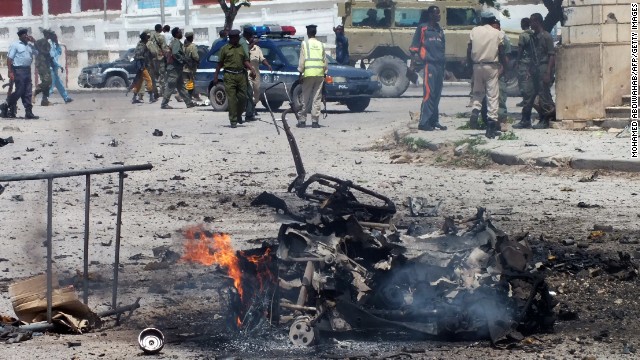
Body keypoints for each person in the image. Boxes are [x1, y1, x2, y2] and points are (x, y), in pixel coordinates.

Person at [467, 11, 506, 138]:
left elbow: (469, 48)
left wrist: (470, 65)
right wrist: (504, 65)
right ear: (492, 20)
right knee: (492, 96)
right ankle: (491, 126)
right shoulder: (498, 33)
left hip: (477, 65)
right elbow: (501, 51)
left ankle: (475, 109)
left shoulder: (474, 31)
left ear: (482, 20)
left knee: (477, 91)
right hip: (491, 66)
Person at [513, 13, 556, 129]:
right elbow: (532, 55)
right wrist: (529, 70)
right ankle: (525, 119)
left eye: (532, 22)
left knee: (543, 95)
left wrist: (548, 72)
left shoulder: (546, 36)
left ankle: (545, 119)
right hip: (534, 68)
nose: (530, 24)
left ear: (537, 22)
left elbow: (552, 55)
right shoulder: (533, 37)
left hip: (543, 67)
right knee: (529, 93)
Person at [409, 6, 446, 131]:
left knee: (437, 94)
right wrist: (412, 66)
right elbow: (414, 48)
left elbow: (442, 49)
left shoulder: (439, 30)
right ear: (430, 15)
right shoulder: (422, 28)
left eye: (439, 13)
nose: (439, 15)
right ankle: (424, 123)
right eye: (436, 13)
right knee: (429, 94)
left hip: (439, 66)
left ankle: (434, 121)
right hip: (428, 65)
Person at [213, 30, 256, 128]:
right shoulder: (224, 49)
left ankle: (238, 114)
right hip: (229, 76)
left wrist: (251, 68)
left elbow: (245, 61)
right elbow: (219, 64)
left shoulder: (241, 48)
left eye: (238, 37)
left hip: (241, 75)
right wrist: (215, 76)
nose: (237, 39)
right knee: (232, 99)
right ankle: (233, 120)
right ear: (231, 38)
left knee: (243, 98)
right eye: (235, 37)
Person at [0, 29, 39, 119]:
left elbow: (38, 53)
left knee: (28, 91)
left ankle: (28, 111)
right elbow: (9, 59)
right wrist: (10, 71)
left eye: (27, 34)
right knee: (20, 90)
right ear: (20, 36)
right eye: (24, 35)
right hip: (18, 70)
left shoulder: (29, 45)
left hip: (27, 70)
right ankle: (6, 105)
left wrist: (35, 42)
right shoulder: (15, 45)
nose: (26, 36)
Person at [297, 24, 328, 128]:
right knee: (316, 98)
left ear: (307, 33)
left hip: (308, 73)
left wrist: (300, 73)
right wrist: (325, 73)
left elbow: (302, 60)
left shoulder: (304, 44)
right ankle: (315, 121)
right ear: (315, 33)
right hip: (319, 74)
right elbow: (325, 61)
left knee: (305, 97)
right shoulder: (321, 45)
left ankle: (302, 121)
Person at [161, 27, 195, 109]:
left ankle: (189, 102)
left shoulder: (175, 42)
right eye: (180, 32)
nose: (181, 33)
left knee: (181, 86)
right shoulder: (176, 42)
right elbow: (175, 53)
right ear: (176, 34)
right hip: (174, 68)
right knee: (170, 85)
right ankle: (164, 104)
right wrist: (182, 60)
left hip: (176, 68)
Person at [130, 31, 154, 104]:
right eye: (147, 37)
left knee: (139, 82)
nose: (148, 38)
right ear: (144, 38)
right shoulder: (141, 46)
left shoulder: (142, 44)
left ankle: (134, 97)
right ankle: (151, 97)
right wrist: (141, 67)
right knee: (149, 80)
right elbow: (138, 56)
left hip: (142, 65)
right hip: (142, 66)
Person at [48, 31, 72, 104]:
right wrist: (59, 66)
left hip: (54, 67)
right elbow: (52, 57)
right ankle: (45, 99)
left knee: (59, 84)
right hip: (51, 67)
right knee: (51, 85)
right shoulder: (50, 45)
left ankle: (66, 98)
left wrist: (58, 44)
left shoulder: (55, 44)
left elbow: (59, 53)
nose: (56, 38)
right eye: (55, 37)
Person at [33, 29, 55, 106]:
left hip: (43, 64)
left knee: (47, 82)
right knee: (48, 81)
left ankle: (44, 101)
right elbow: (44, 52)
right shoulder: (42, 42)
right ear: (47, 35)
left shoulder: (42, 43)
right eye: (50, 35)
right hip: (42, 64)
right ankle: (36, 91)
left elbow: (46, 54)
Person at [249, 37, 272, 106]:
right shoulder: (245, 49)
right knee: (249, 90)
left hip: (256, 72)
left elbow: (262, 59)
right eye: (255, 42)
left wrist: (268, 65)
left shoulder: (257, 49)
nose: (256, 43)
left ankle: (253, 105)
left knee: (257, 90)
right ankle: (249, 108)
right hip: (247, 72)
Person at [515, 18, 533, 107]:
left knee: (523, 82)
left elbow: (520, 49)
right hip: (532, 61)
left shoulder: (523, 35)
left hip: (524, 62)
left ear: (523, 24)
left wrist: (517, 61)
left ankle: (526, 100)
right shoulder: (533, 33)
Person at [148, 24, 168, 101]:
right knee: (162, 75)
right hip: (160, 58)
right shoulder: (161, 37)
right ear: (160, 29)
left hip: (152, 59)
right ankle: (162, 92)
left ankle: (155, 91)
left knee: (153, 76)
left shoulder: (151, 37)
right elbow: (164, 47)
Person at [241, 27, 257, 122]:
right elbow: (245, 59)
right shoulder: (243, 43)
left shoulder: (242, 42)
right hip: (243, 71)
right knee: (248, 92)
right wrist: (252, 69)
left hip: (242, 70)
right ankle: (249, 114)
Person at [182, 32, 200, 102]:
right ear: (191, 38)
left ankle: (186, 96)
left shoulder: (183, 46)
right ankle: (194, 96)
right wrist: (198, 61)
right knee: (192, 82)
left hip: (184, 67)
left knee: (186, 82)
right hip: (191, 67)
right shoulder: (192, 46)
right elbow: (195, 56)